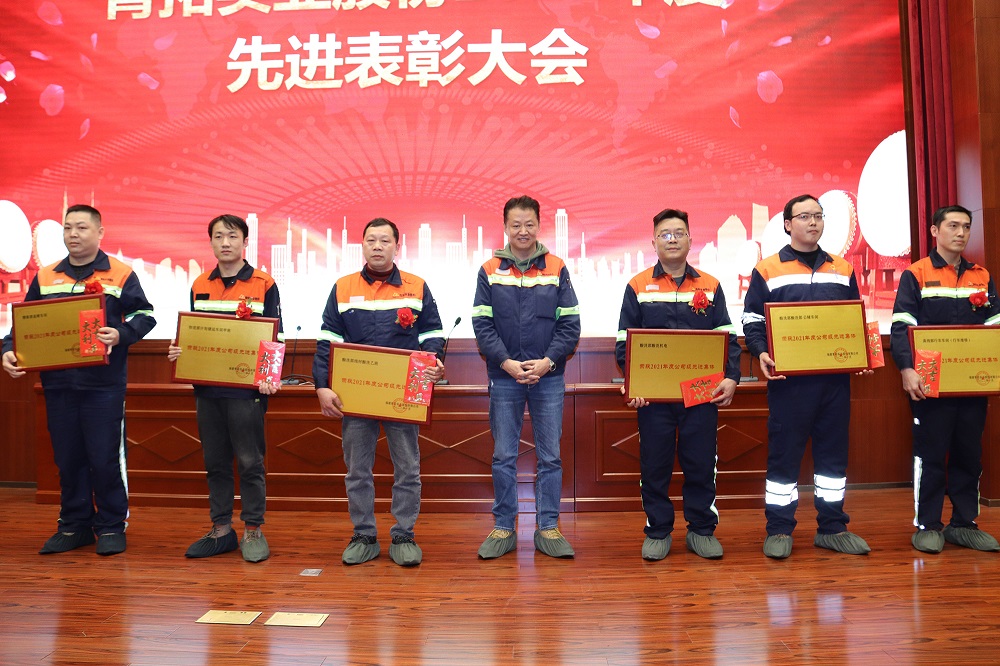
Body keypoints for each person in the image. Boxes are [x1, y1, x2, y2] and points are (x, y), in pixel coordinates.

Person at [2, 204, 155, 556]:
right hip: (58, 385)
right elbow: (25, 322)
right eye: (68, 227)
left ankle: (112, 525)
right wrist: (9, 349)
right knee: (68, 458)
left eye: (82, 227)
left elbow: (145, 315)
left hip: (103, 386)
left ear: (99, 233)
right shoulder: (46, 276)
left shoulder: (120, 273)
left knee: (104, 458)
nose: (73, 234)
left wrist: (120, 334)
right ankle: (74, 525)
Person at [741, 194, 871, 559]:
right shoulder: (768, 269)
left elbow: (854, 319)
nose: (813, 222)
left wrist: (861, 353)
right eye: (804, 216)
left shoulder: (842, 268)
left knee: (833, 458)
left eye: (818, 215)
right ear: (787, 224)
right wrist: (761, 350)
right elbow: (752, 319)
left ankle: (832, 528)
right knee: (784, 456)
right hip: (789, 384)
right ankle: (779, 529)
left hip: (834, 382)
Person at [312, 218, 445, 567]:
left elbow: (432, 333)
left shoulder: (416, 286)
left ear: (397, 247)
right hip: (355, 395)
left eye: (385, 240)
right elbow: (328, 339)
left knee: (408, 468)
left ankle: (404, 534)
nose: (377, 246)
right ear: (362, 245)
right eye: (371, 240)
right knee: (357, 470)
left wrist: (434, 361)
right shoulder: (343, 287)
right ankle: (364, 535)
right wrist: (322, 385)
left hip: (402, 395)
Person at [615, 208, 741, 561]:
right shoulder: (638, 286)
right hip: (654, 398)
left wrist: (731, 377)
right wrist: (635, 383)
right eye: (665, 234)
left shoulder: (710, 286)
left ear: (690, 239)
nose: (672, 239)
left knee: (700, 463)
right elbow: (624, 342)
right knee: (654, 465)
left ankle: (701, 529)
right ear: (654, 242)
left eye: (679, 233)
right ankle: (658, 530)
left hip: (701, 393)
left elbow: (727, 337)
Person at [167, 214, 283, 563]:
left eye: (232, 236)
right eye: (218, 236)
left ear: (245, 242)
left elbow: (275, 336)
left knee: (249, 462)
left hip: (247, 393)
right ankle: (221, 529)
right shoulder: (200, 283)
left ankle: (253, 529)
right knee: (215, 462)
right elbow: (195, 332)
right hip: (208, 390)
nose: (225, 243)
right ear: (211, 242)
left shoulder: (264, 283)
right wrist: (180, 351)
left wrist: (269, 376)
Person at [472, 195, 581, 559]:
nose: (523, 231)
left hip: (548, 377)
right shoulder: (490, 270)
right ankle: (504, 527)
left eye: (529, 224)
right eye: (516, 224)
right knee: (503, 455)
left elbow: (571, 324)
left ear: (539, 225)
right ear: (505, 227)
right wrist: (506, 363)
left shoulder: (557, 268)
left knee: (550, 456)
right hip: (505, 378)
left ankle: (548, 527)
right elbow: (482, 325)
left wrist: (547, 362)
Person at [890, 204, 1000, 554]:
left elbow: (994, 328)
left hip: (972, 383)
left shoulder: (981, 276)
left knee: (970, 454)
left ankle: (964, 524)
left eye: (966, 226)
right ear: (935, 231)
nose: (961, 233)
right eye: (953, 226)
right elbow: (901, 326)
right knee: (931, 455)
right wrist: (907, 369)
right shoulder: (916, 274)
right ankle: (928, 525)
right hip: (929, 384)